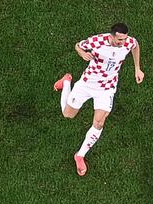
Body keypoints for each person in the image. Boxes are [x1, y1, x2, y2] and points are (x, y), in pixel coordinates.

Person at [52, 23, 144, 177]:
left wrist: (137, 68)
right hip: (88, 83)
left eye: (125, 39)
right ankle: (67, 81)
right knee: (67, 114)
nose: (124, 43)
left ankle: (80, 155)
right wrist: (82, 53)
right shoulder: (97, 41)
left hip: (107, 88)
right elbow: (78, 45)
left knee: (99, 122)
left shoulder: (129, 42)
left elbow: (135, 46)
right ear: (112, 36)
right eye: (120, 40)